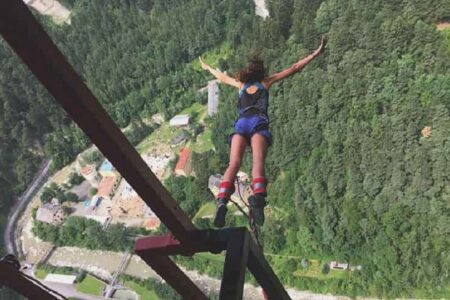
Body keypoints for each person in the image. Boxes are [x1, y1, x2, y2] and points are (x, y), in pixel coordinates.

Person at [199, 36, 326, 228]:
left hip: (241, 125)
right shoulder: (265, 83)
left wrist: (207, 67)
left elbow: (221, 77)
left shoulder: (240, 85)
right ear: (261, 73)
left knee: (233, 164)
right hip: (258, 123)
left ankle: (222, 201)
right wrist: (315, 54)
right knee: (257, 160)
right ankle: (257, 199)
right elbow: (293, 68)